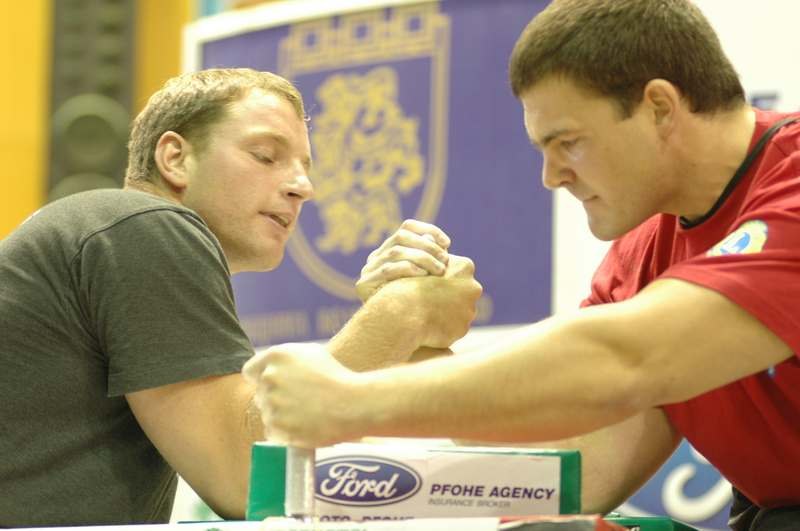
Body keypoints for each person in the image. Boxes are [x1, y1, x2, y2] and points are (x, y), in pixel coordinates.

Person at [243, 1, 800, 529]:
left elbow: (628, 358)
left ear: (659, 107)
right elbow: (572, 471)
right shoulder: (639, 255)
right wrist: (417, 333)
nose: (551, 177)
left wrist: (350, 403)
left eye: (569, 143)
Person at [0, 68, 482, 526]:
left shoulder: (109, 236)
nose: (303, 187)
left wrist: (404, 325)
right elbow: (248, 477)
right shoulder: (143, 226)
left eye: (305, 169)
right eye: (266, 156)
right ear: (175, 158)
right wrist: (404, 312)